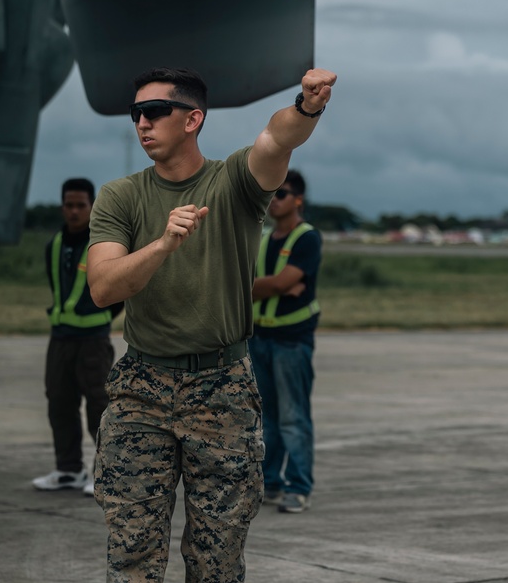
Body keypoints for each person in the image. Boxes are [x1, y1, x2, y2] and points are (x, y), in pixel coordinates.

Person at [86, 67, 336, 582]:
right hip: (141, 388)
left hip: (220, 388)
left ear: (193, 119)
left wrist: (307, 106)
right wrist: (161, 245)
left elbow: (275, 139)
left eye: (155, 112)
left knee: (217, 558)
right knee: (131, 552)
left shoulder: (235, 183)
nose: (142, 123)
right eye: (136, 113)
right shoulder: (120, 197)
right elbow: (104, 288)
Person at [33, 178, 122, 496]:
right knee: (59, 403)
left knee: (99, 406)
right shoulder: (54, 244)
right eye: (68, 205)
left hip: (93, 341)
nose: (73, 211)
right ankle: (68, 469)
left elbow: (118, 291)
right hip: (60, 339)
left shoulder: (102, 244)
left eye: (80, 205)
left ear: (92, 206)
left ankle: (104, 473)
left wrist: (97, 320)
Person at [250, 170, 322, 514]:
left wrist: (258, 288)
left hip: (292, 341)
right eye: (272, 193)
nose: (275, 199)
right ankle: (271, 482)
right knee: (268, 418)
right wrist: (274, 284)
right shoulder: (263, 238)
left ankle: (298, 485)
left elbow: (281, 284)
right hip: (261, 337)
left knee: (293, 417)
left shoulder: (307, 238)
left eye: (283, 193)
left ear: (298, 200)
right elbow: (273, 283)